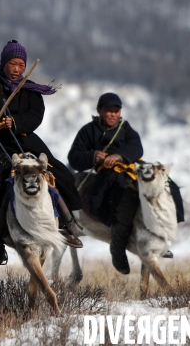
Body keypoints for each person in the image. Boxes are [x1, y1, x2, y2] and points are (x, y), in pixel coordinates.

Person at [0, 40, 83, 265]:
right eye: (12, 63)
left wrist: (15, 122)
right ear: (4, 63)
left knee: (61, 176)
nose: (17, 69)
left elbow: (36, 115)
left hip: (26, 142)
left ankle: (66, 226)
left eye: (20, 64)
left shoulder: (30, 89)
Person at [67, 92, 143, 275]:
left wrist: (119, 155)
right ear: (99, 111)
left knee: (167, 185)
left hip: (130, 171)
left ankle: (162, 238)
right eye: (109, 111)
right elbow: (74, 157)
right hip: (108, 176)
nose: (113, 114)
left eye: (116, 111)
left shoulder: (126, 129)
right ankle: (117, 249)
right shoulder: (88, 131)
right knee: (122, 194)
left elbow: (136, 147)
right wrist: (93, 156)